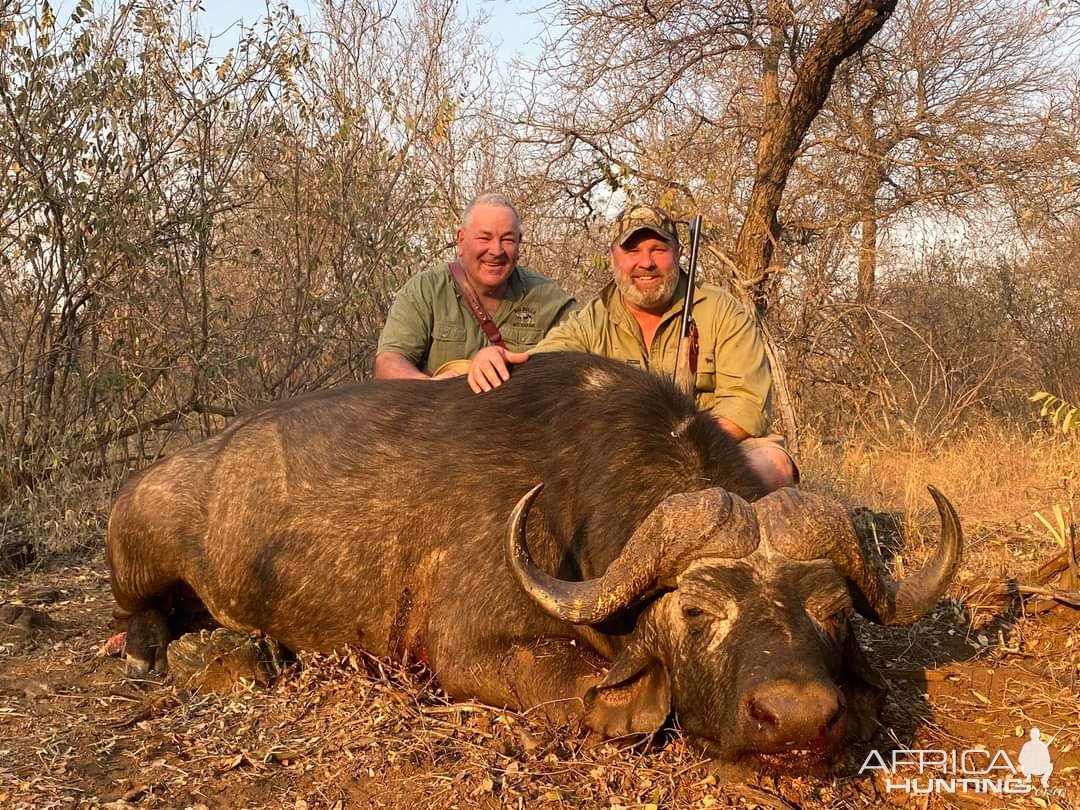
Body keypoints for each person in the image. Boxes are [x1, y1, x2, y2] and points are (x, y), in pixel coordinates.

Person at [466, 203, 797, 491]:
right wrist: (492, 356)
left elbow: (747, 407)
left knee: (773, 465)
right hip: (627, 460)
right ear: (614, 257)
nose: (646, 262)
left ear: (678, 253)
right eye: (633, 251)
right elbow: (541, 363)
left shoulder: (722, 311)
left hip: (713, 451)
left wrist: (679, 443)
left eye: (657, 249)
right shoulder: (593, 319)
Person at [374, 193, 578, 380]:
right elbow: (389, 361)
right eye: (484, 238)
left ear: (519, 244)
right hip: (439, 415)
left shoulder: (548, 297)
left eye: (507, 239)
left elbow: (587, 344)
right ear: (461, 241)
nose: (496, 251)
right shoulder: (425, 289)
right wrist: (429, 388)